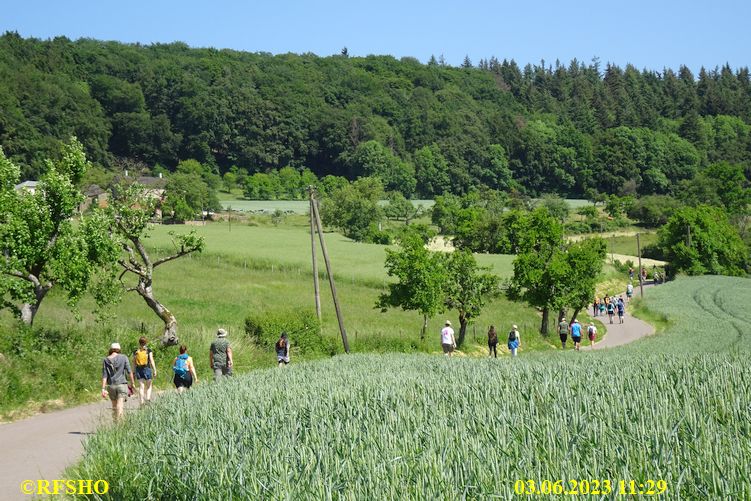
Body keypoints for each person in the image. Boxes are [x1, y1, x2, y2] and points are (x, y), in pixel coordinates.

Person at [101, 342, 135, 423]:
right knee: (120, 406)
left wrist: (103, 388)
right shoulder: (124, 357)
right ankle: (120, 426)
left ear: (111, 349)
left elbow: (104, 375)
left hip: (111, 386)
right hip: (122, 385)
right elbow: (129, 371)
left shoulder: (106, 360)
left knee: (114, 406)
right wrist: (132, 382)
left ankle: (115, 424)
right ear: (119, 349)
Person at [132, 336, 156, 407]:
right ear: (146, 342)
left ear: (139, 342)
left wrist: (133, 371)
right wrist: (154, 369)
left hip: (138, 369)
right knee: (149, 386)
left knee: (141, 386)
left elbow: (133, 362)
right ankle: (148, 399)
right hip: (147, 369)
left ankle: (142, 402)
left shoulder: (136, 351)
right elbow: (151, 360)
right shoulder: (148, 350)